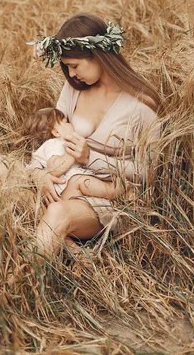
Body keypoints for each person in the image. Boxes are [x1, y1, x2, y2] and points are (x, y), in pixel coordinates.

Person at [25, 13, 162, 258]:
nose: (71, 73)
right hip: (63, 181)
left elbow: (149, 172)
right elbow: (54, 140)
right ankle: (67, 244)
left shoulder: (141, 105)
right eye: (66, 66)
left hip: (106, 196)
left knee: (58, 213)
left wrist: (90, 159)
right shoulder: (74, 89)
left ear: (98, 54)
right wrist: (40, 175)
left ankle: (25, 279)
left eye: (75, 66)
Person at [23, 107, 122, 201]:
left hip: (67, 190)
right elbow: (54, 169)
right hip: (65, 187)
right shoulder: (53, 144)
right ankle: (115, 191)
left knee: (84, 182)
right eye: (66, 122)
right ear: (56, 132)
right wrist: (72, 152)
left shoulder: (54, 145)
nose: (71, 124)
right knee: (82, 182)